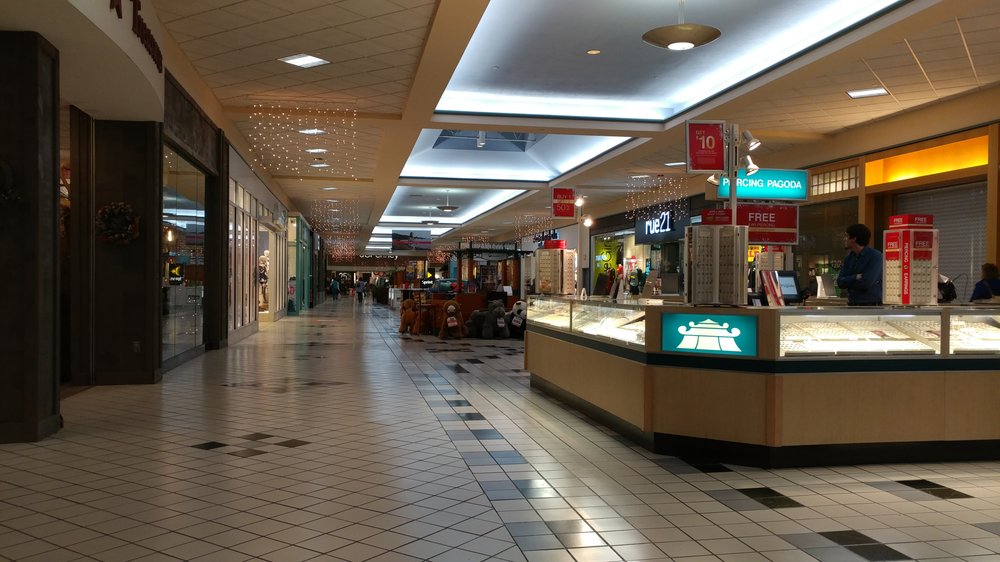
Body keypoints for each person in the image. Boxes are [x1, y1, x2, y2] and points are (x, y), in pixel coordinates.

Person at [836, 223, 883, 306]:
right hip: (852, 304)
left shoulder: (876, 256)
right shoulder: (849, 258)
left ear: (854, 238)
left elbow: (866, 283)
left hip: (871, 306)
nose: (844, 239)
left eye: (847, 236)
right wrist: (855, 277)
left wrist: (848, 281)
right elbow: (840, 282)